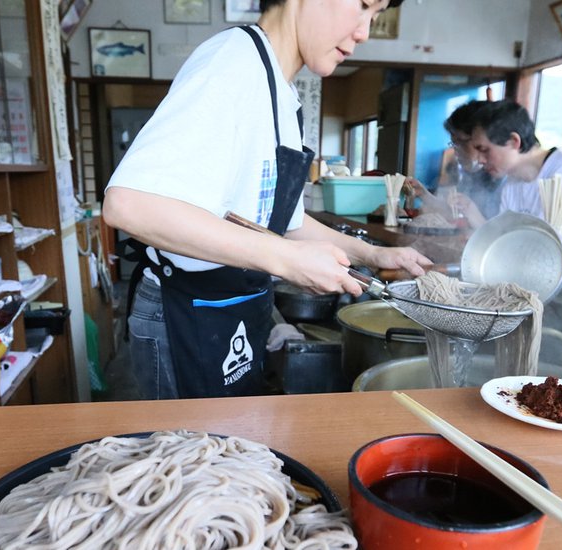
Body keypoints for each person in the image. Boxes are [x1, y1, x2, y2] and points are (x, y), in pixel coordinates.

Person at [102, 0, 428, 400]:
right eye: (362, 5)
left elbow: (286, 224)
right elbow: (131, 203)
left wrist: (371, 256)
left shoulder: (281, 91)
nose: (364, 31)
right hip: (186, 312)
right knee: (194, 457)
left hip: (232, 308)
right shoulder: (233, 63)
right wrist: (284, 260)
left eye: (374, 16)